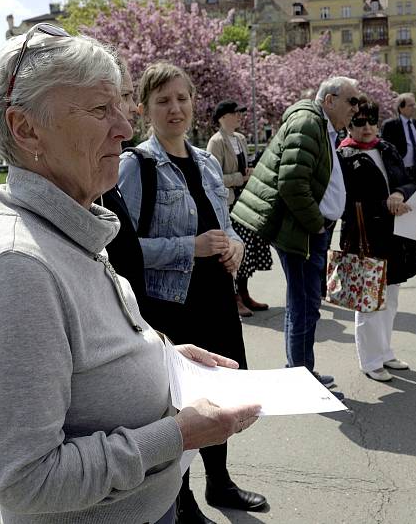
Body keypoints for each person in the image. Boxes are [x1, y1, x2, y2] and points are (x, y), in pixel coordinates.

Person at [0, 26, 259, 524]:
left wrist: (161, 357)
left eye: (121, 107)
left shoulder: (74, 225)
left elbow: (85, 356)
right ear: (26, 130)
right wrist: (178, 435)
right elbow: (27, 481)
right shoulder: (15, 269)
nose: (125, 128)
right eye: (99, 110)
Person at [118, 62, 267, 524]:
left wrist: (234, 246)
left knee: (219, 395)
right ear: (144, 108)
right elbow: (123, 250)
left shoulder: (204, 161)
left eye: (181, 98)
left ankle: (220, 482)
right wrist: (191, 247)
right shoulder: (135, 165)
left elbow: (222, 227)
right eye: (163, 100)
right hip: (170, 306)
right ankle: (179, 501)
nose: (175, 108)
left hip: (216, 299)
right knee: (179, 405)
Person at [232, 76, 359, 398]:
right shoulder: (308, 122)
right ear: (329, 100)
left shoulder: (320, 125)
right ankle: (301, 378)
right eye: (351, 101)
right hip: (303, 232)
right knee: (305, 305)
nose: (356, 109)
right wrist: (317, 224)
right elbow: (292, 182)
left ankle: (300, 371)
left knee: (303, 303)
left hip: (308, 230)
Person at [337, 96, 416, 382]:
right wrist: (383, 205)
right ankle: (370, 360)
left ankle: (385, 352)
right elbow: (343, 204)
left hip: (395, 235)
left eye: (372, 121)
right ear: (349, 123)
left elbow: (411, 180)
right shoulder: (343, 156)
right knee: (369, 302)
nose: (367, 128)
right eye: (359, 122)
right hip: (363, 237)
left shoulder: (386, 148)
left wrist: (399, 194)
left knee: (392, 298)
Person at [206, 100, 272, 317]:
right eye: (235, 113)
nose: (239, 117)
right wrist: (239, 177)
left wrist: (249, 173)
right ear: (223, 117)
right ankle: (234, 297)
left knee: (248, 250)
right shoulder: (216, 142)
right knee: (233, 250)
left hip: (246, 202)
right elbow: (212, 178)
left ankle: (244, 293)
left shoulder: (241, 139)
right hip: (229, 203)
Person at [380, 92, 416, 176]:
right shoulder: (390, 125)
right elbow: (385, 149)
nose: (414, 108)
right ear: (401, 108)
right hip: (399, 171)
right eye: (410, 105)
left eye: (414, 105)